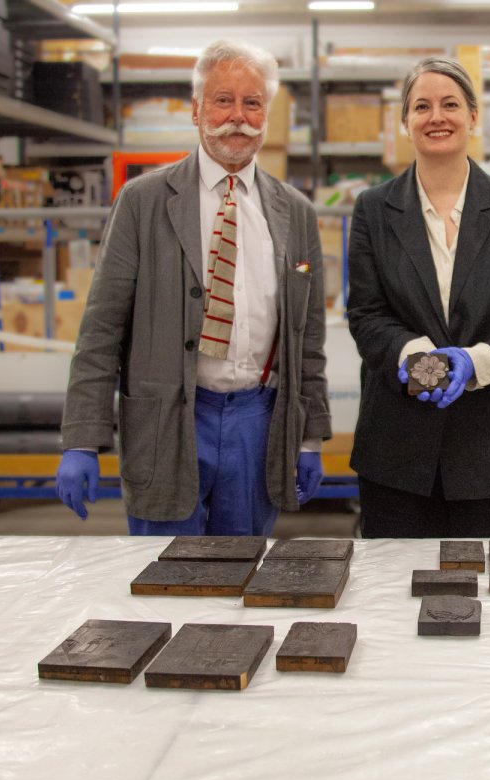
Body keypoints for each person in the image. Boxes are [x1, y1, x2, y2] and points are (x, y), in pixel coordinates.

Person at [55, 39, 330, 536]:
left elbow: (308, 339)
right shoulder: (143, 201)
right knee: (165, 581)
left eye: (252, 103)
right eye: (223, 100)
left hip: (258, 423)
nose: (237, 117)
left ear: (266, 114)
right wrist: (81, 438)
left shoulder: (296, 212)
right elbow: (101, 328)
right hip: (168, 421)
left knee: (244, 582)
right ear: (197, 108)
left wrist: (310, 438)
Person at [346, 56, 490, 539]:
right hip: (397, 459)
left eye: (450, 104)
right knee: (395, 603)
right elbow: (365, 313)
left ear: (473, 116)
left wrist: (474, 361)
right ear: (405, 122)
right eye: (422, 106)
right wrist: (416, 358)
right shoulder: (373, 210)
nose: (436, 117)